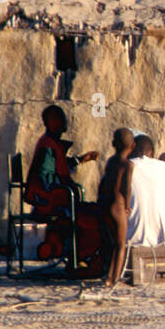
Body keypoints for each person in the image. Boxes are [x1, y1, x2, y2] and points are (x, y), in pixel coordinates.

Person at [23, 105, 98, 264]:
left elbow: (60, 165)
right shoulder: (47, 146)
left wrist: (80, 159)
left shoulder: (50, 144)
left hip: (53, 199)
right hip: (47, 202)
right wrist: (62, 191)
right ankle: (78, 256)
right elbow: (46, 176)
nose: (65, 124)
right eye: (62, 120)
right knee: (85, 216)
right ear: (53, 122)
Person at [126, 134, 165, 248]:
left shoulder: (123, 168)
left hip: (132, 241)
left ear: (131, 150)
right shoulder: (164, 168)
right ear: (152, 153)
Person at [98, 127, 135, 287]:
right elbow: (126, 187)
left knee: (111, 244)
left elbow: (103, 183)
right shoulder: (127, 165)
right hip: (118, 205)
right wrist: (127, 205)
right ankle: (115, 278)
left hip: (105, 204)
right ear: (133, 146)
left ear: (113, 144)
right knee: (121, 245)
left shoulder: (111, 161)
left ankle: (108, 276)